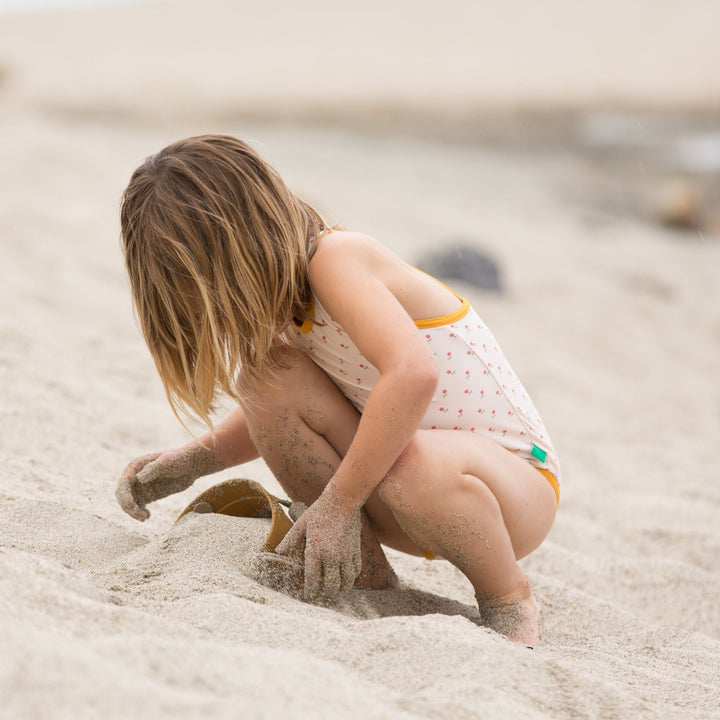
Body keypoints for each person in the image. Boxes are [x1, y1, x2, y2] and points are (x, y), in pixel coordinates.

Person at [116, 134, 560, 644]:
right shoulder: (288, 304)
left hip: (510, 491)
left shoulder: (337, 259)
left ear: (240, 245)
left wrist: (339, 503)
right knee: (266, 377)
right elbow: (285, 412)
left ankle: (507, 596)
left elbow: (413, 376)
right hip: (399, 487)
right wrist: (193, 459)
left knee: (410, 462)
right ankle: (368, 572)